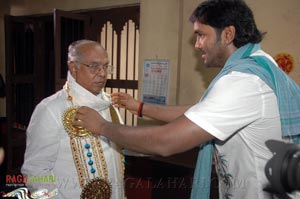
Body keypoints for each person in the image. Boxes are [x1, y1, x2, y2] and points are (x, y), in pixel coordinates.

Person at [73, 1, 300, 199]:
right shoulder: (258, 63)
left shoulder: (243, 81)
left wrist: (101, 126)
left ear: (228, 34)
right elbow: (200, 111)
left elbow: (166, 142)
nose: (197, 44)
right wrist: (139, 107)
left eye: (202, 35)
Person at [21, 40, 125, 199]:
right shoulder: (50, 109)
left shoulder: (110, 105)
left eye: (105, 66)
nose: (103, 73)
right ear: (73, 67)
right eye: (94, 66)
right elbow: (35, 172)